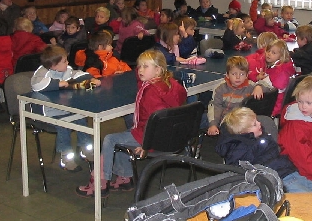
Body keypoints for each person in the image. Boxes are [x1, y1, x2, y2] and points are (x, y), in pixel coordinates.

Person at [76, 50, 187, 197]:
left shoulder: (151, 92)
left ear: (158, 70)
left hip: (152, 136)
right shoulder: (168, 84)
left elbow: (158, 121)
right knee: (125, 134)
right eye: (139, 66)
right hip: (168, 135)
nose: (140, 70)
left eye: (145, 66)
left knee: (110, 139)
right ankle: (124, 178)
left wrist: (146, 144)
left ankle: (100, 182)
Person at [31, 45, 101, 171]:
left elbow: (76, 74)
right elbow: (36, 84)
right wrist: (57, 83)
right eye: (64, 61)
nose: (67, 63)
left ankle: (86, 149)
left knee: (81, 118)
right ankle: (66, 157)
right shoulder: (42, 72)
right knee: (64, 125)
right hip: (46, 112)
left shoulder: (66, 69)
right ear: (53, 66)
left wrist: (91, 79)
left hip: (64, 108)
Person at [216, 107, 312, 194]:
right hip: (278, 180)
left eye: (257, 121)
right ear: (244, 132)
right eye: (254, 124)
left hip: (288, 172)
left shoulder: (261, 137)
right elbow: (243, 171)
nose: (259, 124)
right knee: (308, 199)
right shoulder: (241, 149)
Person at [205, 56, 265, 136]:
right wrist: (213, 124)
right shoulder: (220, 88)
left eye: (242, 74)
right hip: (222, 122)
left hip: (241, 124)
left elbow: (269, 87)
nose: (238, 77)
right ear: (227, 75)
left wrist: (259, 86)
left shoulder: (250, 86)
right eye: (234, 74)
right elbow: (215, 106)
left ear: (247, 75)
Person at [255, 39, 296, 117]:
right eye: (268, 51)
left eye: (273, 53)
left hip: (274, 107)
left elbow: (275, 90)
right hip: (274, 103)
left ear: (281, 56)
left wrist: (259, 85)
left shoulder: (280, 72)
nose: (269, 54)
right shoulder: (281, 66)